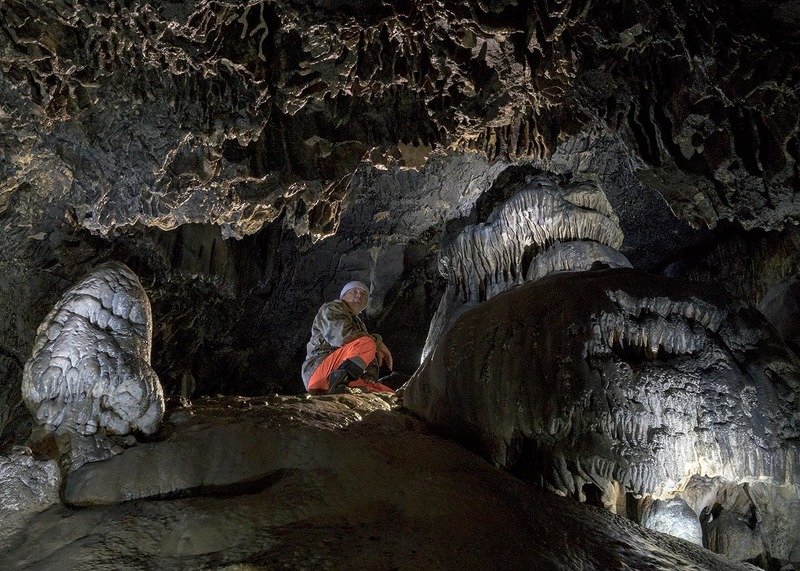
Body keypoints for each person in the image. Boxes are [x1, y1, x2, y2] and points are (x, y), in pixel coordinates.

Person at [302, 281, 394, 393]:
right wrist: (376, 341)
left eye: (364, 294)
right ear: (343, 295)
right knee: (367, 343)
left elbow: (366, 354)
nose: (359, 295)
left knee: (386, 393)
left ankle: (345, 383)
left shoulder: (359, 325)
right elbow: (342, 337)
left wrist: (369, 376)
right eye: (354, 291)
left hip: (339, 374)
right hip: (319, 371)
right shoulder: (330, 308)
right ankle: (339, 386)